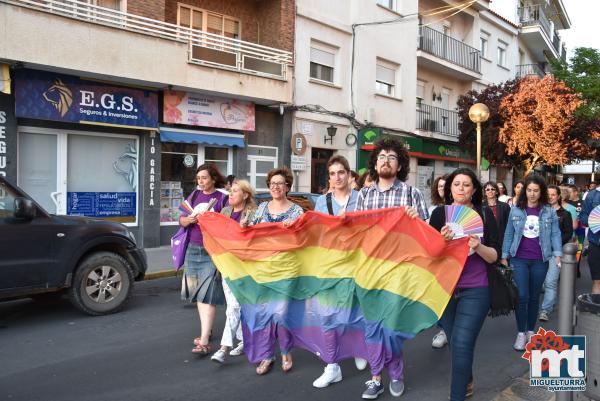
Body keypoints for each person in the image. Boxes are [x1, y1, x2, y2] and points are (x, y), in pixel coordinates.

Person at [355, 137, 428, 399]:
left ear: (400, 165)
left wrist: (416, 219)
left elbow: (426, 235)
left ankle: (396, 372)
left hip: (399, 271)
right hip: (371, 271)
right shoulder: (364, 194)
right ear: (375, 163)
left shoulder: (411, 194)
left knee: (393, 327)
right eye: (381, 156)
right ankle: (375, 377)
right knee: (373, 326)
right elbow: (357, 232)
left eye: (392, 157)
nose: (386, 161)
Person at [429, 168, 499, 401]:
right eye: (456, 184)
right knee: (457, 344)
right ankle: (466, 378)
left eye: (466, 184)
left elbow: (494, 257)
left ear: (474, 190)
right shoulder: (440, 214)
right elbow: (430, 255)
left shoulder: (486, 215)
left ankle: (456, 396)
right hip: (445, 289)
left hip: (476, 289)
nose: (460, 188)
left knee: (460, 343)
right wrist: (441, 241)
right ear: (449, 188)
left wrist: (478, 246)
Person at [312, 155, 366, 388]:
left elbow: (371, 228)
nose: (337, 177)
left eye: (341, 172)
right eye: (332, 174)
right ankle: (332, 366)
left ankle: (358, 348)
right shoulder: (322, 202)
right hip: (330, 265)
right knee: (327, 315)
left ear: (349, 174)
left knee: (355, 312)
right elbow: (316, 232)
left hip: (357, 264)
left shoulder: (362, 198)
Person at [249, 167, 304, 375]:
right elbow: (251, 234)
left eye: (280, 183)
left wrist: (295, 229)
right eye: (272, 183)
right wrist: (245, 226)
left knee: (280, 313)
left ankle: (286, 352)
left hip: (286, 268)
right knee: (264, 313)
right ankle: (266, 355)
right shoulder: (262, 208)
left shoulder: (297, 211)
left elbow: (304, 239)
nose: (276, 187)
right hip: (264, 267)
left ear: (287, 186)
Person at [501, 175, 562, 351]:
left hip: (540, 260)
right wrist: (504, 255)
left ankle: (530, 331)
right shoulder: (516, 210)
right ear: (524, 191)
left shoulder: (548, 211)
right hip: (518, 258)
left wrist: (557, 254)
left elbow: (555, 234)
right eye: (529, 190)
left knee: (535, 297)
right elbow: (508, 234)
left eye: (536, 190)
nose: (532, 194)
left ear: (541, 192)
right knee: (522, 296)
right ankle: (521, 333)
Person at [179, 163, 229, 355]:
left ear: (213, 179)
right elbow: (181, 220)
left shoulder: (222, 198)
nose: (201, 181)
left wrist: (210, 219)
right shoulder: (194, 196)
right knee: (196, 292)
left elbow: (227, 223)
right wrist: (189, 220)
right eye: (198, 178)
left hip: (211, 250)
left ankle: (205, 341)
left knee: (206, 293)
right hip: (193, 248)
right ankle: (206, 330)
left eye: (204, 178)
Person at [211, 179, 256, 364]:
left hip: (245, 268)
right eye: (230, 191)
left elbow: (257, 239)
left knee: (235, 306)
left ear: (245, 195)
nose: (230, 194)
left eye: (235, 191)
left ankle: (223, 348)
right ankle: (244, 340)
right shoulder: (225, 212)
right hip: (227, 267)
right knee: (235, 306)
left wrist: (247, 229)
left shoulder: (253, 213)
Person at [538, 185, 574, 322]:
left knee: (551, 282)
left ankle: (545, 310)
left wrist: (552, 242)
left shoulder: (565, 214)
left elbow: (568, 233)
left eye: (553, 194)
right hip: (538, 251)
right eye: (548, 194)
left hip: (556, 252)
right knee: (539, 281)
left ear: (559, 196)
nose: (550, 197)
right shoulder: (540, 212)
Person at [429, 174, 449, 349]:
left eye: (446, 185)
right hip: (438, 261)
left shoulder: (463, 210)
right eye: (440, 186)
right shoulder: (433, 210)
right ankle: (443, 330)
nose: (442, 189)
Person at [579, 182, 600, 294]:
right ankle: (596, 310)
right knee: (597, 281)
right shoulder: (592, 195)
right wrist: (594, 220)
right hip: (596, 242)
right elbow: (583, 217)